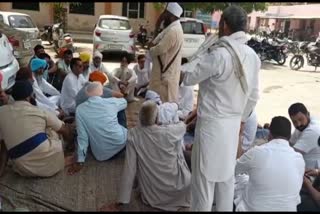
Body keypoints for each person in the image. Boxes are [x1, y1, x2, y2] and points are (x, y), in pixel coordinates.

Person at [180, 6, 260, 211]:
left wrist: (204, 49)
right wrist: (241, 120)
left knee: (203, 187)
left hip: (211, 129)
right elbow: (253, 96)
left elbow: (187, 77)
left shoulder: (218, 55)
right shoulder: (252, 56)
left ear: (224, 25)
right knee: (226, 182)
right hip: (232, 128)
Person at [100, 101, 191, 211]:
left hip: (153, 196)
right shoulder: (172, 131)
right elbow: (184, 125)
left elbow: (129, 170)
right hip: (180, 191)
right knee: (188, 154)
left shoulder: (133, 134)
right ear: (157, 118)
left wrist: (120, 202)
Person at [0, 80, 74, 177]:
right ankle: (65, 157)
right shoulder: (40, 112)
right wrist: (71, 143)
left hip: (23, 168)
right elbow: (64, 130)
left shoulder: (2, 112)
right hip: (49, 164)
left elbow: (4, 144)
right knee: (54, 129)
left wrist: (1, 169)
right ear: (29, 97)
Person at [234, 116, 305, 211]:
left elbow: (234, 170)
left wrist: (240, 135)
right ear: (289, 136)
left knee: (238, 179)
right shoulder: (299, 159)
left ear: (269, 134)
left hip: (253, 208)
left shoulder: (256, 152)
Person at [68, 82, 128, 175]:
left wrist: (80, 160)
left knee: (87, 130)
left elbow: (82, 137)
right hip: (121, 144)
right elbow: (124, 102)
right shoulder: (111, 102)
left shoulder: (79, 109)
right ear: (102, 93)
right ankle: (120, 133)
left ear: (87, 93)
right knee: (120, 110)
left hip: (102, 155)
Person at [148, 2, 184, 103]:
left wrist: (151, 49)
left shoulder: (173, 31)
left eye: (166, 13)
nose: (163, 16)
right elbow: (157, 39)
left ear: (172, 16)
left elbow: (160, 48)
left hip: (165, 79)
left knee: (163, 110)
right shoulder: (171, 28)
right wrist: (157, 25)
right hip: (163, 77)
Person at [289, 103, 320, 169]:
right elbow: (290, 143)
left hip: (314, 174)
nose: (298, 124)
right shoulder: (304, 125)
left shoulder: (313, 130)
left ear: (308, 114)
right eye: (294, 122)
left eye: (301, 119)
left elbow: (291, 153)